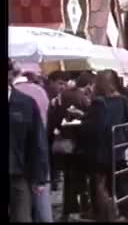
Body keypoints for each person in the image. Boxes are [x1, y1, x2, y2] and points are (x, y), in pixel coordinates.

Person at [80, 70, 128, 222]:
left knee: (99, 182)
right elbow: (126, 121)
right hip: (119, 146)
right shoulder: (123, 100)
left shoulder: (98, 102)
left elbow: (96, 127)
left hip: (101, 149)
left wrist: (84, 121)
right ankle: (125, 213)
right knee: (119, 183)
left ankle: (104, 214)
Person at [48, 70, 93, 221]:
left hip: (64, 142)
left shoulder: (63, 95)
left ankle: (68, 211)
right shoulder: (83, 99)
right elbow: (89, 120)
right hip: (79, 144)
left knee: (68, 178)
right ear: (88, 85)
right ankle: (81, 209)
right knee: (80, 178)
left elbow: (53, 118)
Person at [9, 59, 50, 223]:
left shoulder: (25, 103)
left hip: (18, 173)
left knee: (22, 217)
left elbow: (37, 142)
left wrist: (39, 177)